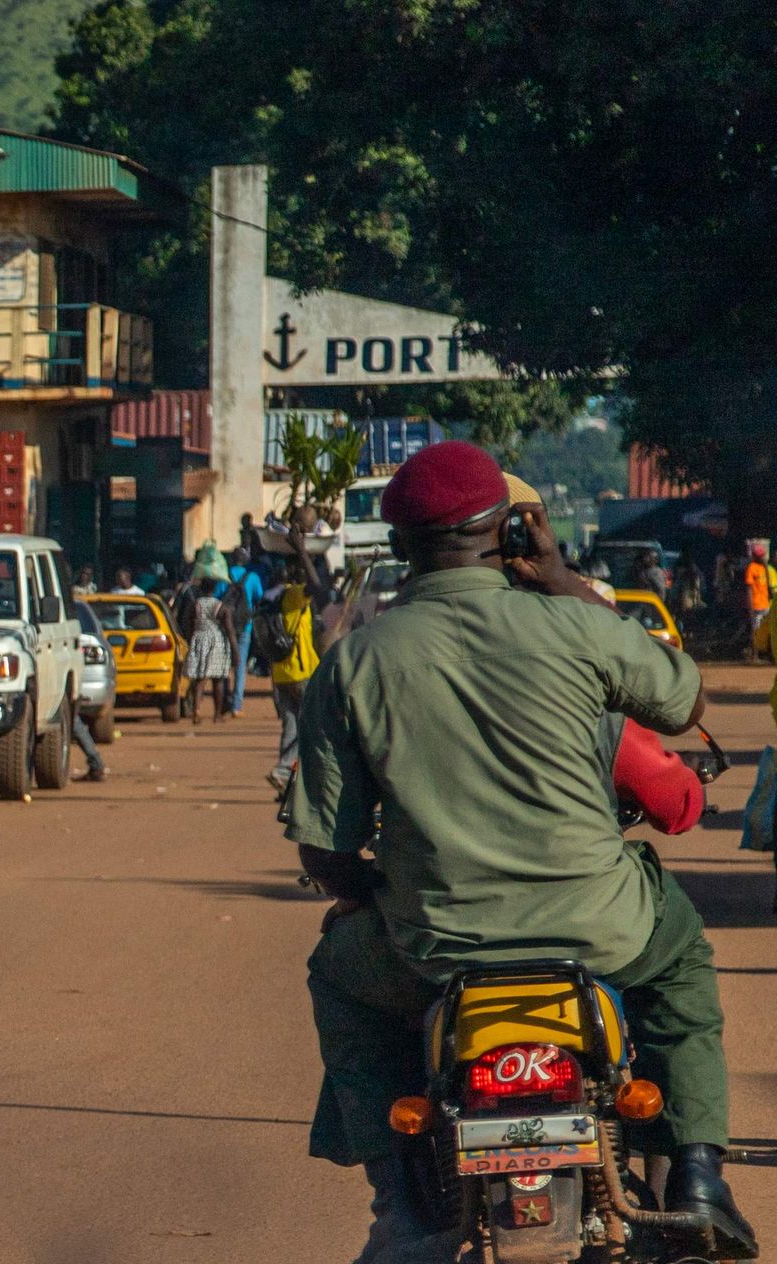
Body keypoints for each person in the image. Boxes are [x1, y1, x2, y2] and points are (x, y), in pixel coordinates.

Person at [288, 440, 756, 1259]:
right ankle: (697, 1176)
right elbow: (681, 701)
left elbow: (325, 850)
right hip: (602, 930)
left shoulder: (356, 662)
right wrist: (568, 582)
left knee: (339, 975)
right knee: (680, 960)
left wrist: (377, 891)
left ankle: (398, 1198)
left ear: (400, 547)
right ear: (512, 531)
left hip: (433, 948)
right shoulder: (576, 625)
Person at [266, 528, 331, 790]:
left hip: (282, 674)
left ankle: (286, 778)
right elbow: (318, 588)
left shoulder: (273, 596)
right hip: (301, 672)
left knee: (292, 726)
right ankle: (289, 772)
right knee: (316, 725)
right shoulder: (293, 596)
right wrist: (303, 550)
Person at [176, 575, 235, 724]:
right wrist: (236, 651)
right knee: (218, 679)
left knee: (200, 679)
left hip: (199, 639)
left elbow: (188, 622)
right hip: (217, 642)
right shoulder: (220, 606)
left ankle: (196, 711)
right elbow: (229, 629)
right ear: (214, 588)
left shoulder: (195, 605)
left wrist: (192, 638)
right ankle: (217, 715)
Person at [226, 548, 264, 715]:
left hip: (226, 626)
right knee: (240, 665)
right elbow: (260, 597)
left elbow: (218, 595)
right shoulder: (252, 577)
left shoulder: (224, 575)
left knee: (224, 666)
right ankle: (236, 706)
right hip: (245, 625)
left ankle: (223, 702)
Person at [746, 544, 775, 639]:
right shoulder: (751, 568)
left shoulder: (764, 568)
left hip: (765, 604)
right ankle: (755, 652)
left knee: (766, 629)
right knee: (756, 630)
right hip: (756, 605)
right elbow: (749, 589)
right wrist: (750, 607)